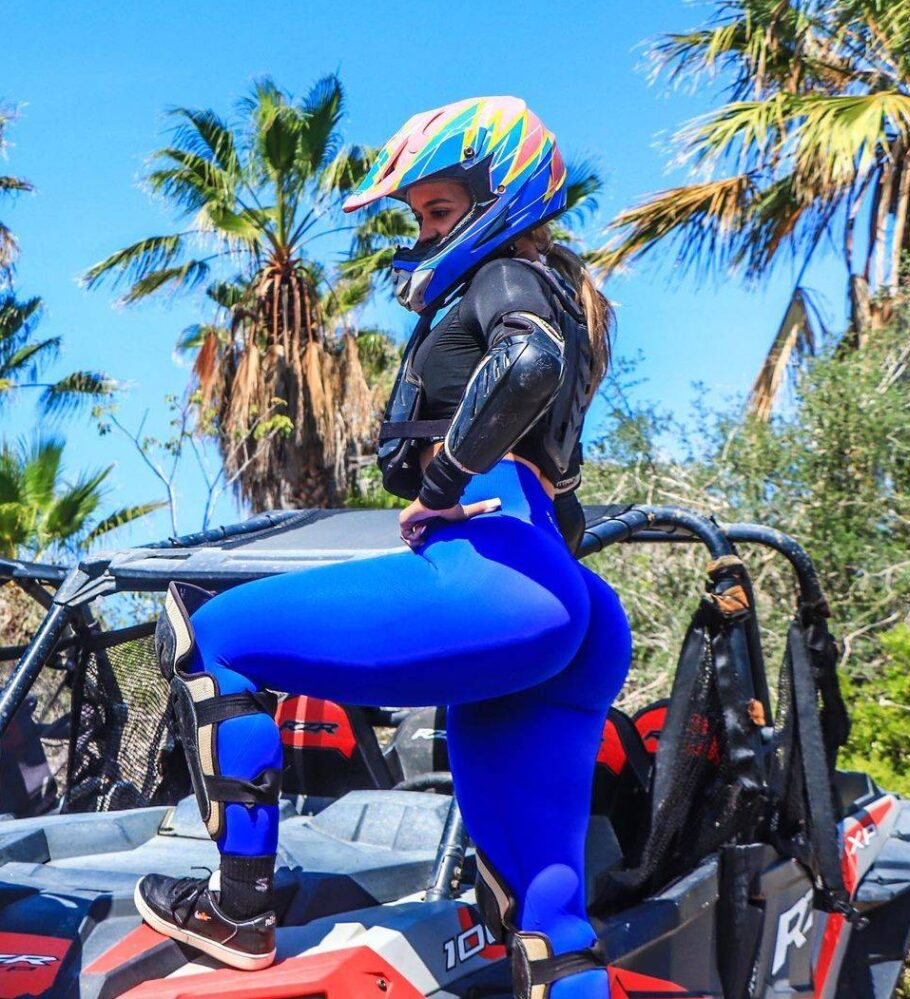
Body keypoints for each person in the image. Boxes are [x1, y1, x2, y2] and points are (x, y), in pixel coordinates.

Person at [134, 96, 631, 999]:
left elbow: (526, 369)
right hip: (570, 599)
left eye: (440, 209)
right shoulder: (565, 292)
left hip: (497, 576)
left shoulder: (503, 282)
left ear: (502, 198)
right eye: (420, 215)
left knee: (211, 631)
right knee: (549, 916)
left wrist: (440, 486)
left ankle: (235, 909)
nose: (426, 229)